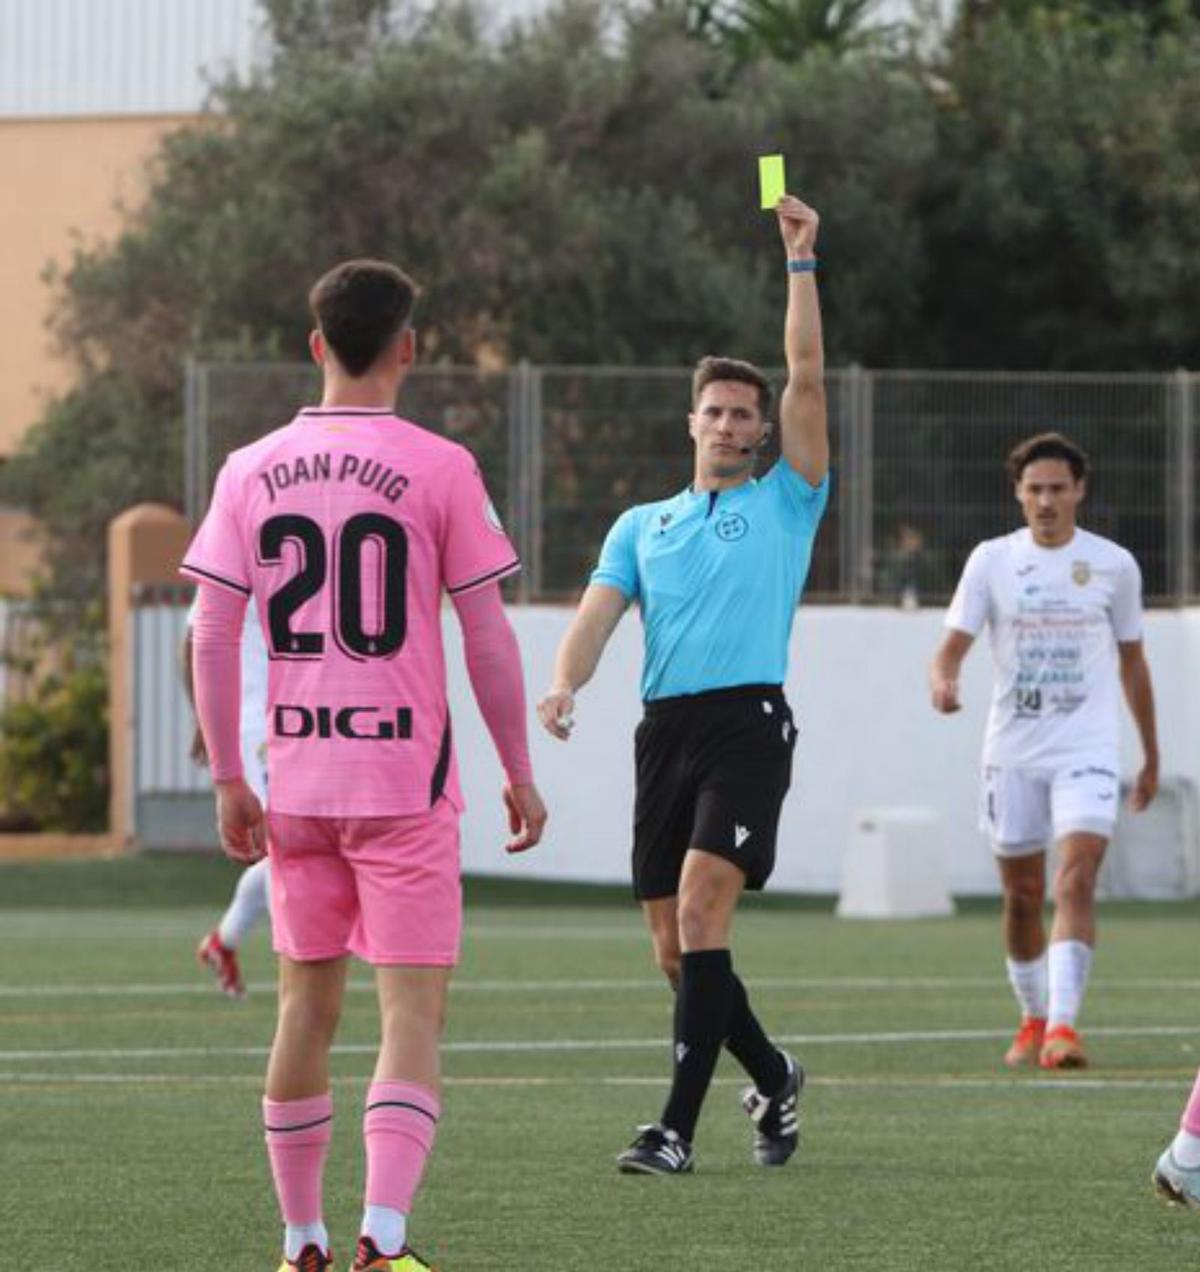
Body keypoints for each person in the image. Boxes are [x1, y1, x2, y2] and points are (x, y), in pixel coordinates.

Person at [181, 259, 547, 1272]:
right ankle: (383, 1239)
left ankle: (301, 1239)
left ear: (314, 345)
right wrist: (518, 766)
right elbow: (486, 635)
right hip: (403, 784)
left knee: (306, 1009)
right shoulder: (440, 466)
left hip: (297, 784)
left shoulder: (250, 467)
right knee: (411, 1014)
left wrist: (226, 776)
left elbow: (212, 629)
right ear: (408, 348)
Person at [537, 194, 830, 1175]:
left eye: (744, 415)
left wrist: (799, 264)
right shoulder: (642, 524)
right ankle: (776, 1073)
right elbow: (595, 617)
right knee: (674, 951)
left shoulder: (789, 501)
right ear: (691, 421)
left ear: (757, 434)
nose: (729, 422)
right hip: (663, 734)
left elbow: (808, 376)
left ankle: (673, 1130)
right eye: (715, 409)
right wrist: (564, 684)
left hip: (747, 726)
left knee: (705, 915)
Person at [929, 432, 1159, 1071]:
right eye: (1036, 489)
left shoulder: (1113, 565)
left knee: (1077, 876)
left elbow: (1134, 665)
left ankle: (1063, 1027)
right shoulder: (991, 561)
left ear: (1080, 490)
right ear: (1018, 493)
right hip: (1013, 751)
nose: (1047, 500)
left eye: (1059, 488)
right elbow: (952, 645)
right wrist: (944, 678)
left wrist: (1151, 752)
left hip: (1087, 745)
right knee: (1022, 895)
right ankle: (1032, 1017)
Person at [184, 599, 272, 999]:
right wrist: (204, 717)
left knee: (289, 852)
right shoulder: (238, 543)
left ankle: (224, 942)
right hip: (256, 730)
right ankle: (300, 973)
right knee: (288, 848)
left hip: (307, 723)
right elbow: (194, 638)